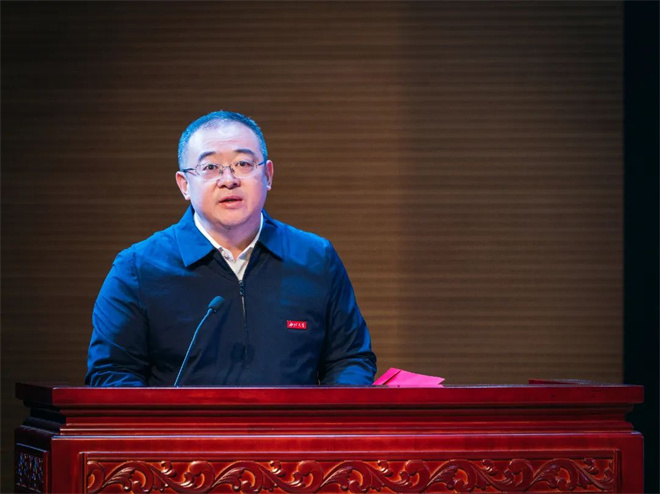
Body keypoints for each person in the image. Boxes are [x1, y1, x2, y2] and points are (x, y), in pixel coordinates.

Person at [85, 111, 376, 386]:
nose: (229, 180)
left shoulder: (315, 258)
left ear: (268, 175)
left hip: (294, 426)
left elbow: (350, 359)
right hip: (183, 426)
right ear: (185, 185)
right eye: (210, 167)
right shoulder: (137, 268)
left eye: (244, 164)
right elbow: (111, 372)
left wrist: (324, 418)